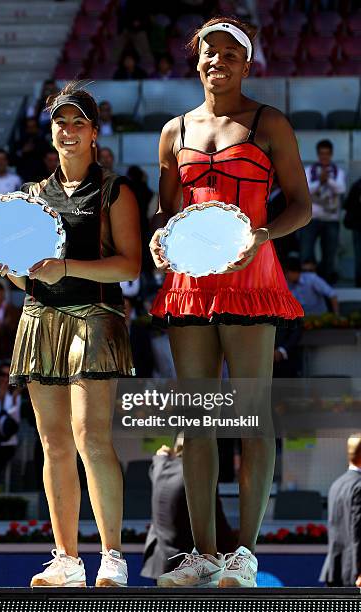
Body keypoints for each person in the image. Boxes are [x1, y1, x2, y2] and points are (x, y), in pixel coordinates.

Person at [149, 16, 311, 588]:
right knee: (194, 422)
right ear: (196, 61)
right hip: (190, 283)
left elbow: (301, 205)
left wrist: (263, 236)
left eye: (229, 54)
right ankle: (203, 555)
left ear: (248, 64)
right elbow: (166, 213)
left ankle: (243, 556)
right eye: (208, 53)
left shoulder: (271, 123)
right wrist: (159, 240)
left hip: (251, 276)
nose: (218, 61)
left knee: (249, 418)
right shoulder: (172, 131)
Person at [0, 81, 141, 588]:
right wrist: (4, 268)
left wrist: (66, 266)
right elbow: (27, 273)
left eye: (78, 123)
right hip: (39, 317)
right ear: (51, 133)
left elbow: (130, 265)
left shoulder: (116, 189)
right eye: (60, 123)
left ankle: (112, 556)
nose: (68, 131)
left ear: (94, 132)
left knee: (91, 438)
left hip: (95, 317)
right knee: (53, 444)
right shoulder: (29, 195)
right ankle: (67, 560)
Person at [142, 435, 237, 582]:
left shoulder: (160, 468)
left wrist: (162, 457)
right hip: (191, 563)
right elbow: (215, 518)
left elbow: (156, 464)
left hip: (161, 560)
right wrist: (234, 551)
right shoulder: (202, 477)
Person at [300, 139, 346, 285]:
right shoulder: (309, 170)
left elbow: (341, 189)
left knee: (329, 255)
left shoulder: (338, 172)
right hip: (311, 218)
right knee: (307, 252)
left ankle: (326, 286)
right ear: (318, 154)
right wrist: (320, 181)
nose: (324, 157)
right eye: (321, 154)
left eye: (327, 154)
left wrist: (328, 181)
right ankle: (308, 285)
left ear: (331, 154)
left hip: (331, 219)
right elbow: (306, 191)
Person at [320, 434, 361, 587]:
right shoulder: (359, 486)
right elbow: (358, 531)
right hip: (354, 574)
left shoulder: (336, 485)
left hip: (335, 568)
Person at [343, 176, 361, 287]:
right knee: (359, 255)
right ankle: (359, 282)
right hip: (359, 227)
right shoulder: (358, 185)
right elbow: (348, 205)